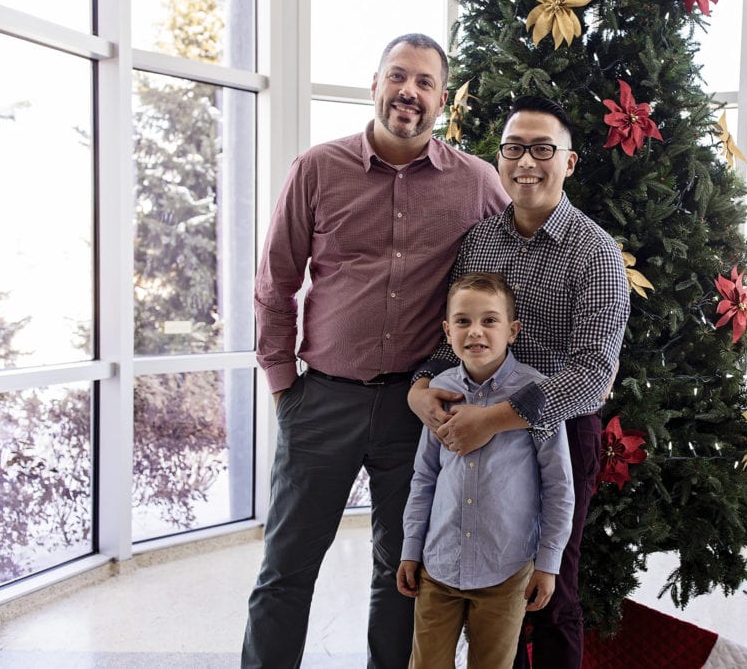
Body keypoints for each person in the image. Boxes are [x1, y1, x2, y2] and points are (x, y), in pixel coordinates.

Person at [243, 33, 508, 669]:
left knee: (401, 573)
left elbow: (516, 263)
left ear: (442, 101)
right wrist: (285, 387)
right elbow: (274, 284)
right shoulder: (316, 168)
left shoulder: (475, 183)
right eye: (398, 77)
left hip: (414, 409)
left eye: (424, 83)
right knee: (285, 570)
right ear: (375, 84)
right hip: (321, 401)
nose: (408, 93)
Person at [408, 96, 630, 669]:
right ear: (500, 158)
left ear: (569, 162)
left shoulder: (596, 253)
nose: (525, 161)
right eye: (513, 148)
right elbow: (453, 334)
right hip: (466, 420)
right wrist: (420, 385)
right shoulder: (481, 242)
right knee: (459, 573)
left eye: (541, 149)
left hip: (555, 431)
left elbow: (593, 375)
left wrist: (494, 419)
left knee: (551, 590)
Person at [397, 272, 575, 668]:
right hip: (438, 567)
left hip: (505, 570)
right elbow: (424, 477)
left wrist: (548, 563)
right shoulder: (438, 392)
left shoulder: (535, 393)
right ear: (447, 331)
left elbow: (558, 486)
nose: (475, 331)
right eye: (463, 321)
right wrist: (411, 549)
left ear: (512, 331)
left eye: (489, 320)